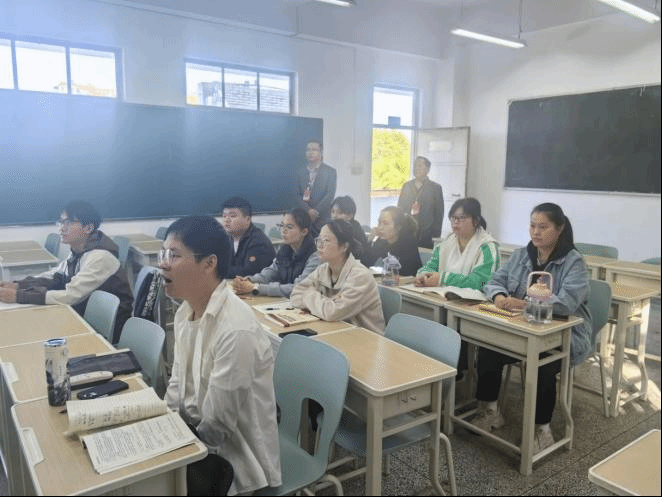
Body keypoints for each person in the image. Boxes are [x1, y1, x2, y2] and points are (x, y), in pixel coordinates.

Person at [160, 215, 281, 495]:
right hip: (194, 439)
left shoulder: (235, 328)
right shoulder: (185, 311)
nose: (163, 264)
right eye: (163, 254)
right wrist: (165, 428)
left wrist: (175, 450)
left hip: (235, 464)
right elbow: (176, 384)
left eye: (174, 255)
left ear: (209, 263)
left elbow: (217, 426)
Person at [472, 203, 592, 454]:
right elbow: (495, 281)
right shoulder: (521, 255)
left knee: (542, 363)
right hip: (521, 328)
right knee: (488, 349)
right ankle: (491, 411)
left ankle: (543, 430)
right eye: (532, 226)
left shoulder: (574, 262)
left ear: (559, 228)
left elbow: (567, 303)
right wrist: (499, 296)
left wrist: (525, 304)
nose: (535, 232)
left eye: (543, 227)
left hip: (563, 334)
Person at [0, 201, 133, 344]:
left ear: (88, 227)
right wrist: (18, 285)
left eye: (68, 223)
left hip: (107, 330)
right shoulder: (79, 251)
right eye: (61, 222)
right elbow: (55, 275)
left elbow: (71, 295)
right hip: (84, 316)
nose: (62, 228)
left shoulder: (100, 257)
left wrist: (19, 296)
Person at [290, 219, 384, 334]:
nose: (320, 245)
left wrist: (310, 294)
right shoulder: (323, 269)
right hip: (336, 331)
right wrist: (325, 303)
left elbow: (331, 312)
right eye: (319, 240)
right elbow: (295, 295)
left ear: (344, 246)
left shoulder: (360, 276)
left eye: (326, 240)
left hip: (366, 338)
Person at [232, 208, 320, 298]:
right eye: (282, 225)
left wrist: (256, 287)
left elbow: (298, 288)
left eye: (289, 227)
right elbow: (271, 272)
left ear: (304, 231)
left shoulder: (315, 257)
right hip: (286, 301)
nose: (283, 231)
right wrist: (248, 280)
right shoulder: (285, 249)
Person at [414, 197, 499, 289]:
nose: (455, 222)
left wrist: (442, 278)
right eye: (453, 218)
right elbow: (431, 266)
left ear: (475, 221)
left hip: (471, 297)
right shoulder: (445, 243)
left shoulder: (487, 246)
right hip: (441, 294)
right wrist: (424, 276)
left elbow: (479, 281)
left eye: (461, 218)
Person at [221, 197, 275, 278]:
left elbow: (248, 271)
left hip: (256, 284)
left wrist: (218, 271)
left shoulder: (259, 241)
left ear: (248, 219)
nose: (227, 220)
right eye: (224, 216)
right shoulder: (228, 238)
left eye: (232, 216)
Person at [397, 155, 444, 248]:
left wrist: (435, 237)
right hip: (407, 232)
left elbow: (439, 214)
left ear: (427, 169)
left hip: (427, 234)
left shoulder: (435, 188)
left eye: (419, 166)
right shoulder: (406, 186)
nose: (416, 168)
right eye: (415, 165)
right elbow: (400, 209)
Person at [361, 206, 422, 276]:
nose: (380, 227)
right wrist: (370, 239)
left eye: (385, 224)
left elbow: (409, 273)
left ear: (398, 227)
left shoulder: (408, 243)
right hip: (390, 281)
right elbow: (365, 263)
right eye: (379, 223)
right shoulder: (381, 241)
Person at [296, 140, 337, 236]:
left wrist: (315, 212)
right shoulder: (299, 172)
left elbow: (330, 195)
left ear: (321, 152)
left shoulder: (330, 172)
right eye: (308, 150)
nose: (310, 152)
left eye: (314, 150)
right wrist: (308, 211)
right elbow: (296, 195)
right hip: (303, 220)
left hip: (322, 220)